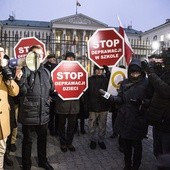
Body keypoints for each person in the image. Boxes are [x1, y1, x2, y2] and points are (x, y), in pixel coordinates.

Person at [100, 58, 149, 170]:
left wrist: (142, 102)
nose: (135, 75)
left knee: (137, 145)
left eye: (137, 72)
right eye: (132, 72)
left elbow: (152, 99)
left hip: (138, 119)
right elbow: (120, 98)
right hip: (125, 118)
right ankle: (127, 165)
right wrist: (109, 97)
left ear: (141, 71)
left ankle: (136, 166)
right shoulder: (125, 83)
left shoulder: (146, 82)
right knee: (126, 146)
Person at [15, 45, 55, 170]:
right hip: (29, 114)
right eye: (35, 54)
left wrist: (53, 95)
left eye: (40, 54)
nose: (38, 56)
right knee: (27, 141)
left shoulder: (46, 72)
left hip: (43, 113)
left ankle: (43, 161)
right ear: (29, 56)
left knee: (42, 140)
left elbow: (51, 90)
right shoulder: (25, 71)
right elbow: (21, 92)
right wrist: (19, 79)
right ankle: (26, 165)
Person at [145, 49, 170, 159]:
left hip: (167, 124)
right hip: (158, 121)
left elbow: (165, 90)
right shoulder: (166, 72)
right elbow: (155, 89)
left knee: (166, 154)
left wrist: (151, 72)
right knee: (157, 151)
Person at [54, 51, 79, 152]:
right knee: (61, 125)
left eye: (72, 58)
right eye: (68, 58)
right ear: (65, 59)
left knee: (71, 126)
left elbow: (82, 85)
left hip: (74, 105)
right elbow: (54, 85)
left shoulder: (78, 70)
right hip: (62, 104)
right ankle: (63, 143)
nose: (70, 60)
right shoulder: (59, 70)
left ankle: (70, 143)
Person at [0, 47, 19, 169]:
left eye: (1, 56)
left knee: (1, 149)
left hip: (2, 119)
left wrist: (9, 78)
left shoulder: (4, 73)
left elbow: (15, 92)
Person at [87, 65, 110, 150]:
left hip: (103, 106)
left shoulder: (106, 79)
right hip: (92, 106)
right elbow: (86, 93)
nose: (99, 71)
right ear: (94, 70)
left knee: (102, 124)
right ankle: (92, 140)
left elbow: (112, 87)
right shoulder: (89, 79)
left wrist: (108, 71)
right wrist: (87, 105)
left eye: (101, 70)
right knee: (91, 124)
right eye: (98, 69)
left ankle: (101, 140)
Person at [44, 54, 58, 136]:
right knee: (50, 113)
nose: (53, 60)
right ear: (48, 59)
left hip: (57, 93)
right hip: (49, 93)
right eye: (52, 59)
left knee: (57, 114)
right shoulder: (44, 68)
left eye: (54, 59)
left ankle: (56, 129)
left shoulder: (58, 66)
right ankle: (51, 129)